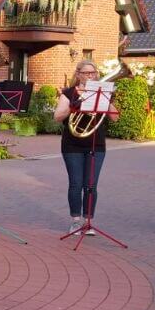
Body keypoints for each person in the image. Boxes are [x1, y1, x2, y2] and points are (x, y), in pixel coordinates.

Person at [53, 60, 117, 235]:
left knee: (91, 185)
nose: (91, 76)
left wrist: (104, 97)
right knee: (75, 184)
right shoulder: (68, 93)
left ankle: (88, 221)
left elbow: (115, 118)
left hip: (96, 144)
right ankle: (75, 221)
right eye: (87, 73)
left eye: (93, 73)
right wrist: (76, 105)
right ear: (78, 74)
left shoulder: (102, 93)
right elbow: (58, 117)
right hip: (72, 144)